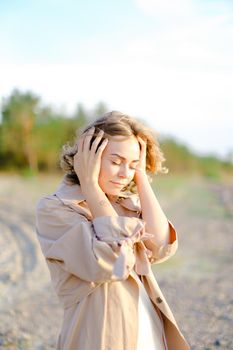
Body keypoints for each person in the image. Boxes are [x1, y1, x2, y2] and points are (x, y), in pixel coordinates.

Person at [35, 111, 190, 350]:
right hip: (99, 337)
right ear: (89, 157)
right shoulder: (55, 209)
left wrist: (141, 174)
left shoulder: (124, 203)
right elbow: (111, 261)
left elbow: (160, 245)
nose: (124, 173)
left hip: (147, 330)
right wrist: (89, 185)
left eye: (132, 165)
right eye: (116, 162)